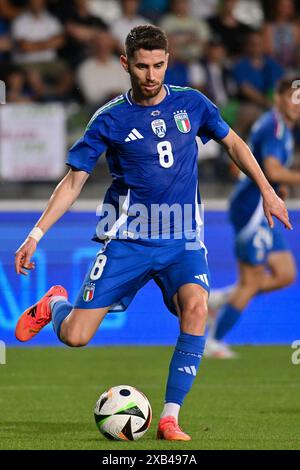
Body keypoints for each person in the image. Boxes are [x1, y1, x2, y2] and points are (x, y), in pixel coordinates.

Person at [14, 25, 291, 441]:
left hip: (182, 241)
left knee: (195, 308)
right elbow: (73, 182)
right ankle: (55, 304)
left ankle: (169, 417)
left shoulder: (192, 104)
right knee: (75, 336)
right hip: (129, 240)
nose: (151, 75)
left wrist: (267, 191)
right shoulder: (109, 118)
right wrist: (35, 235)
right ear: (126, 64)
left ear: (168, 61)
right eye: (142, 66)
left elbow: (234, 143)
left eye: (159, 65)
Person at [206, 76, 300, 359]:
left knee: (285, 274)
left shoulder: (283, 128)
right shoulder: (273, 127)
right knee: (251, 281)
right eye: (294, 98)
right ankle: (212, 342)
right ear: (279, 98)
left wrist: (280, 186)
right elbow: (271, 170)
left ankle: (221, 298)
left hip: (262, 208)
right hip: (251, 210)